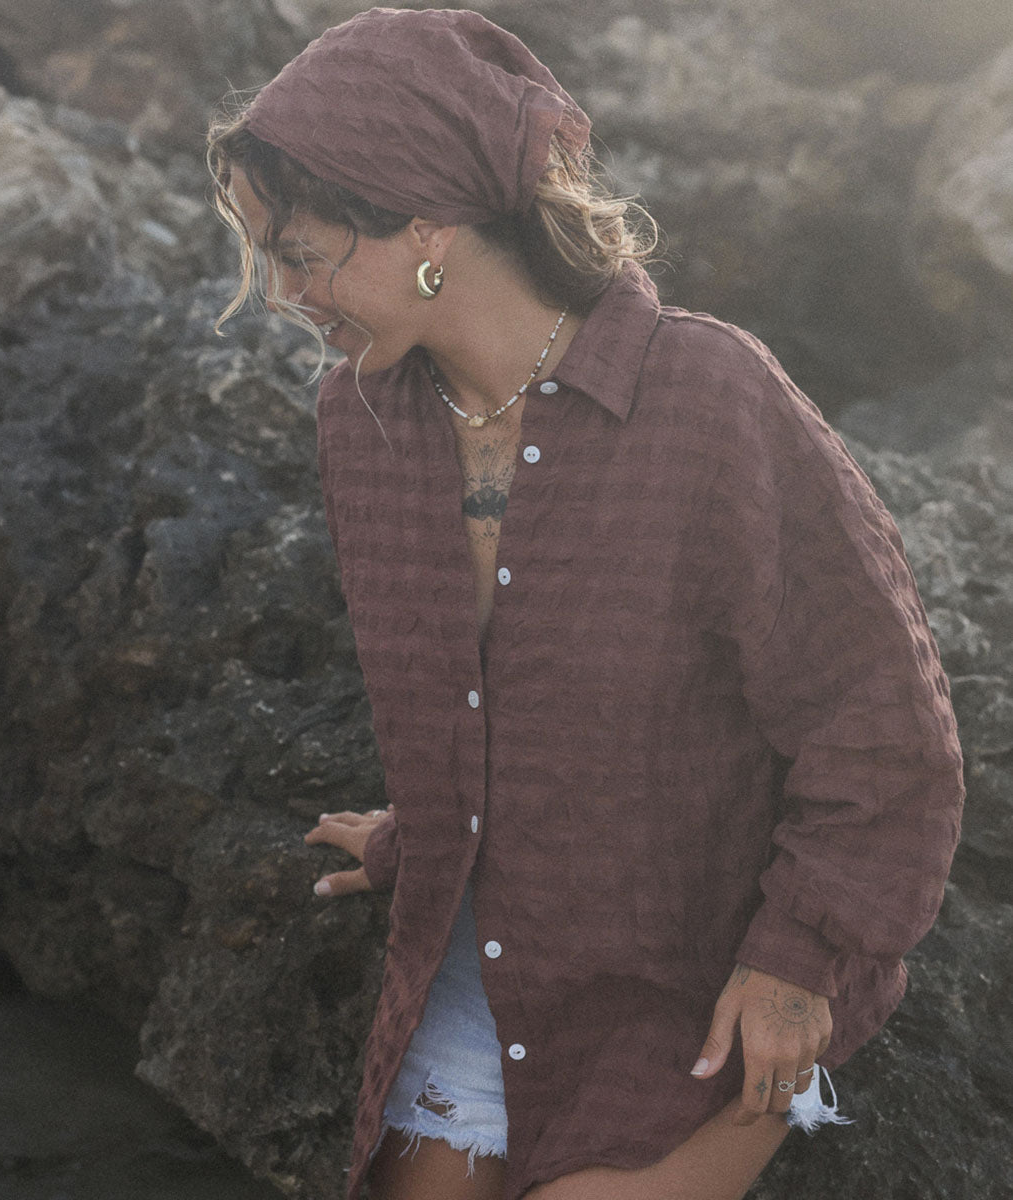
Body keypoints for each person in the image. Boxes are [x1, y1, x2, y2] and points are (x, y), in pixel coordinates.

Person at [206, 9, 964, 1199]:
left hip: (703, 983)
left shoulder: (707, 395)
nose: (284, 293)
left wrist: (798, 962)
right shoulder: (360, 421)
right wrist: (425, 837)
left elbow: (883, 728)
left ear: (425, 220)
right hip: (485, 958)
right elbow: (480, 701)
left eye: (300, 252)